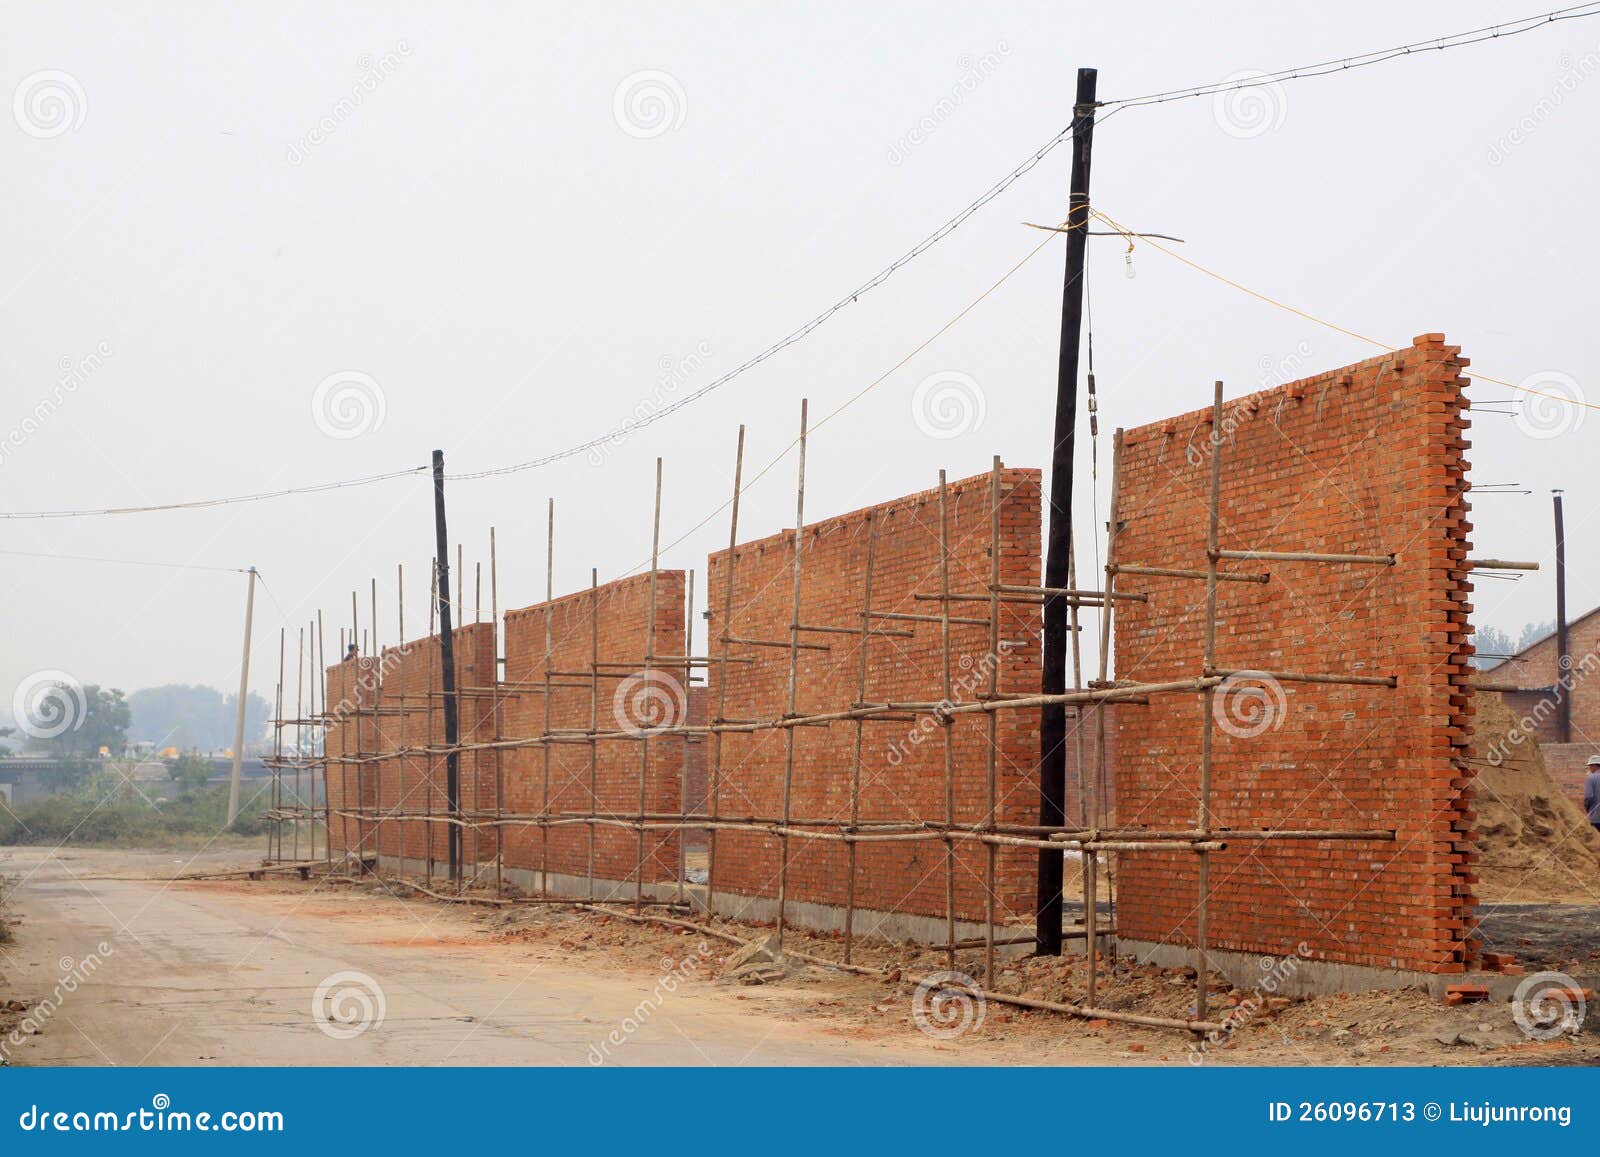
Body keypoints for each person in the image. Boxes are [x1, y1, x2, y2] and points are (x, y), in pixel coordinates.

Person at [1585, 753, 1600, 834]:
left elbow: (1588, 797)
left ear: (1594, 766)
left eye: (1590, 766)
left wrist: (1588, 809)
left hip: (1596, 818)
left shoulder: (1591, 778)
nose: (1589, 768)